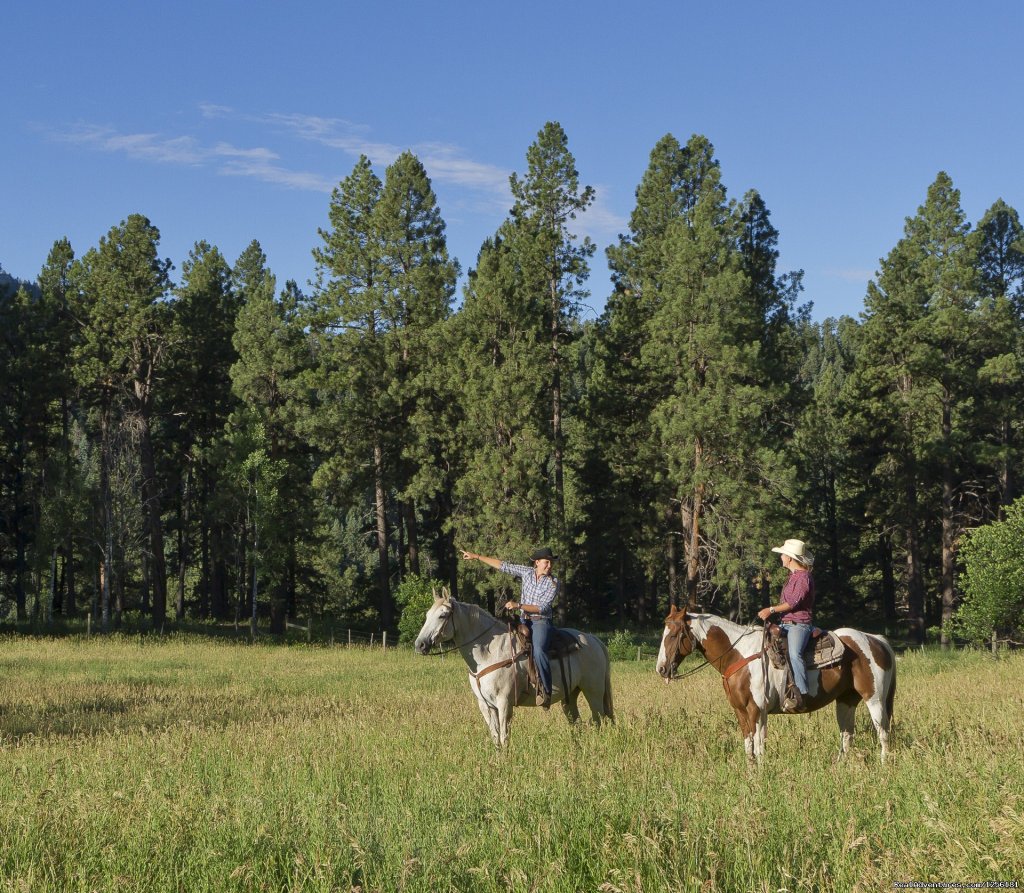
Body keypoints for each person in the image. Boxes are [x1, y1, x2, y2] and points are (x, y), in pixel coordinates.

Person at [460, 546, 561, 708]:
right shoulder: (527, 572)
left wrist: (518, 605)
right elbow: (503, 565)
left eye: (551, 563)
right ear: (537, 562)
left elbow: (543, 608)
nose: (550, 565)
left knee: (540, 650)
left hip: (540, 621)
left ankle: (545, 691)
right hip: (522, 620)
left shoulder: (554, 583)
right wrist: (477, 556)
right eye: (546, 562)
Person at [758, 538, 815, 713]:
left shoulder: (803, 577)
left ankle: (801, 694)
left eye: (783, 554)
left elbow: (792, 603)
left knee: (794, 653)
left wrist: (771, 609)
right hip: (786, 623)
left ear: (790, 558)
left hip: (800, 624)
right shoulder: (792, 577)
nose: (781, 556)